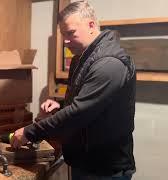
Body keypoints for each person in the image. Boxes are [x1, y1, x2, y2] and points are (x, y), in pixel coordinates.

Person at [10, 1, 136, 179]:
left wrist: (30, 132)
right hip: (83, 160)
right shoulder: (81, 58)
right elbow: (85, 102)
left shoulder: (109, 64)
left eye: (70, 33)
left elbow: (78, 113)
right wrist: (60, 105)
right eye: (63, 35)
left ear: (91, 25)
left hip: (104, 169)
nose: (66, 41)